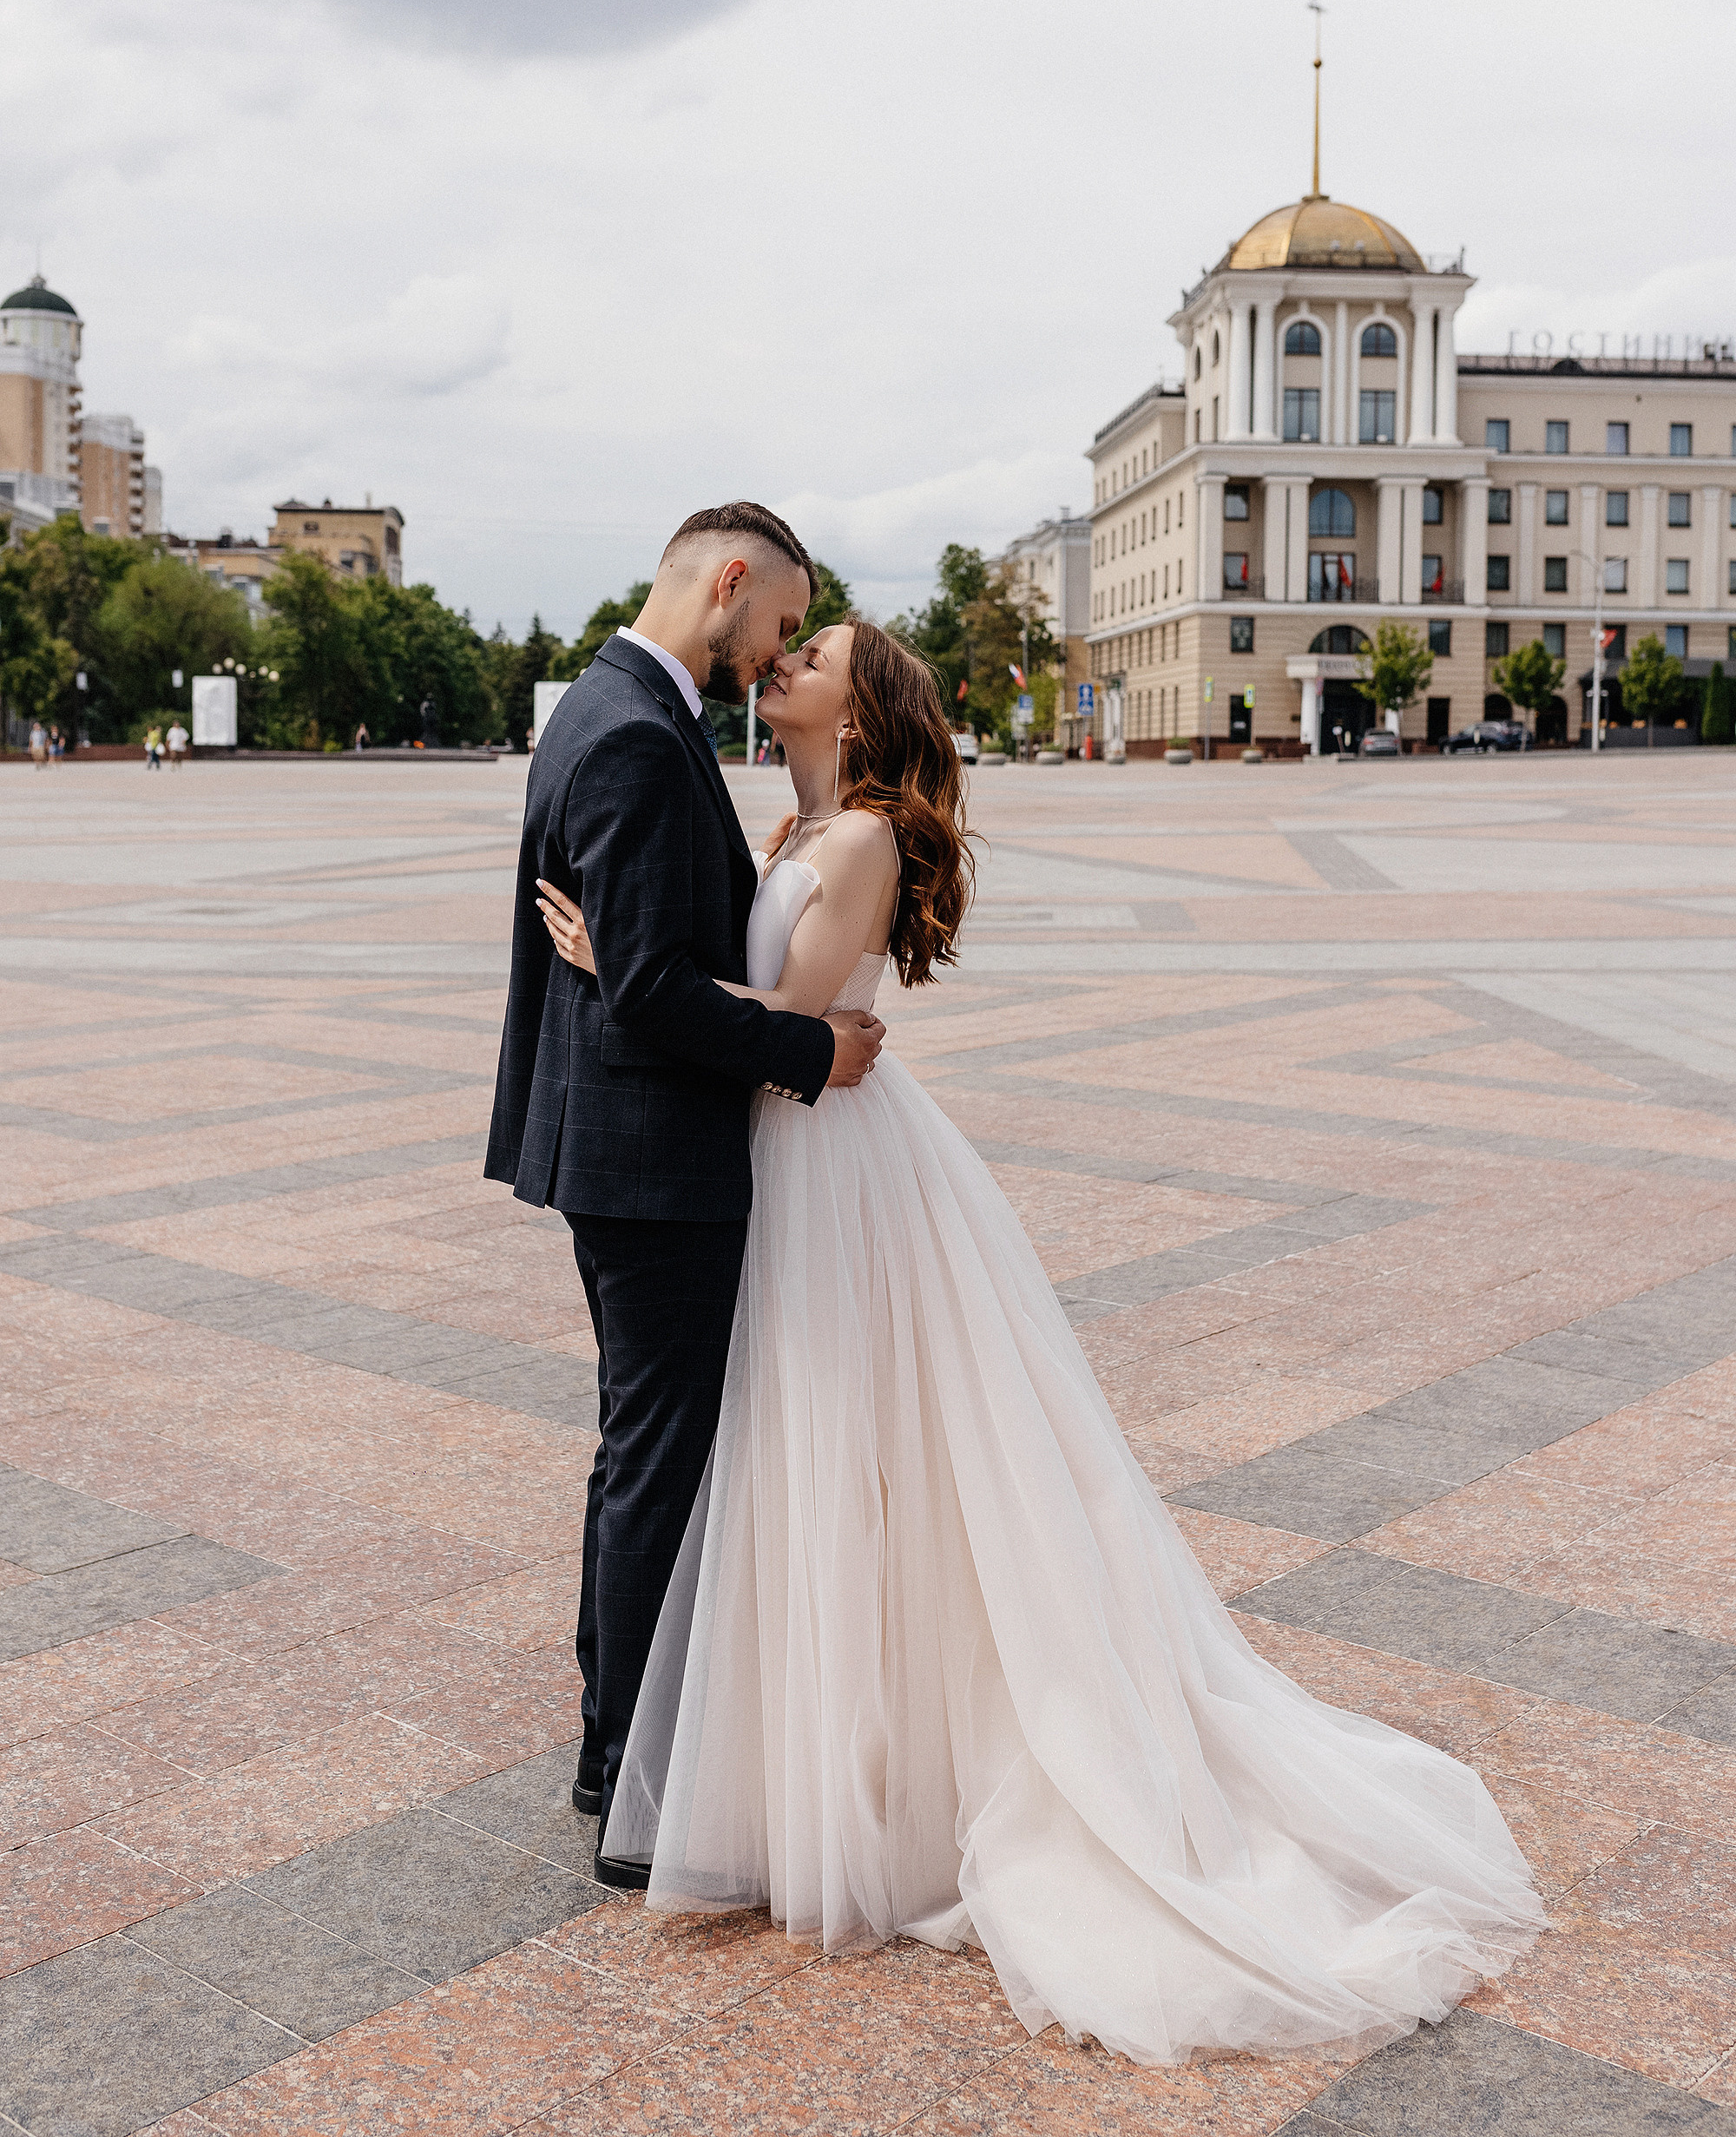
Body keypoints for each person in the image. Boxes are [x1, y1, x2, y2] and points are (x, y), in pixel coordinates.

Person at [535, 616, 1544, 2068]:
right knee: (812, 1451)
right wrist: (634, 962)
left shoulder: (865, 836)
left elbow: (803, 1020)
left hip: (831, 1156)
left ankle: (881, 1768)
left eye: (808, 653)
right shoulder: (797, 819)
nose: (781, 664)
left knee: (853, 1445)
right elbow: (751, 1002)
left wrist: (614, 968)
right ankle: (833, 1749)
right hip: (794, 1147)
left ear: (862, 703)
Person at [484, 503, 886, 1885]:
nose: (770, 654)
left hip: (627, 1148)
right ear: (727, 582)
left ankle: (628, 1740)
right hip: (653, 1162)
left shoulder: (604, 707)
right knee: (657, 1457)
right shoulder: (643, 735)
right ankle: (626, 1767)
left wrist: (630, 964)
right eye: (776, 622)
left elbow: (643, 961)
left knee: (644, 1451)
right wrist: (812, 1053)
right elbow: (656, 989)